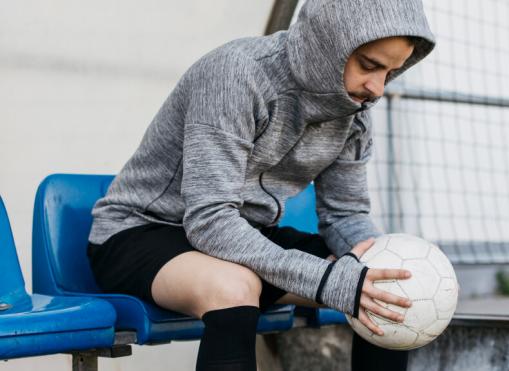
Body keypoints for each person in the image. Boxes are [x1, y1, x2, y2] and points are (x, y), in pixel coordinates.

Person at [86, 0, 435, 370]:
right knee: (234, 287)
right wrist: (327, 279)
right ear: (330, 44)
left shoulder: (355, 111)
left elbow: (345, 214)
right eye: (369, 65)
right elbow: (209, 218)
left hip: (241, 238)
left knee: (390, 289)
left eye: (391, 72)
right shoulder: (236, 74)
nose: (378, 88)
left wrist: (378, 264)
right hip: (141, 232)